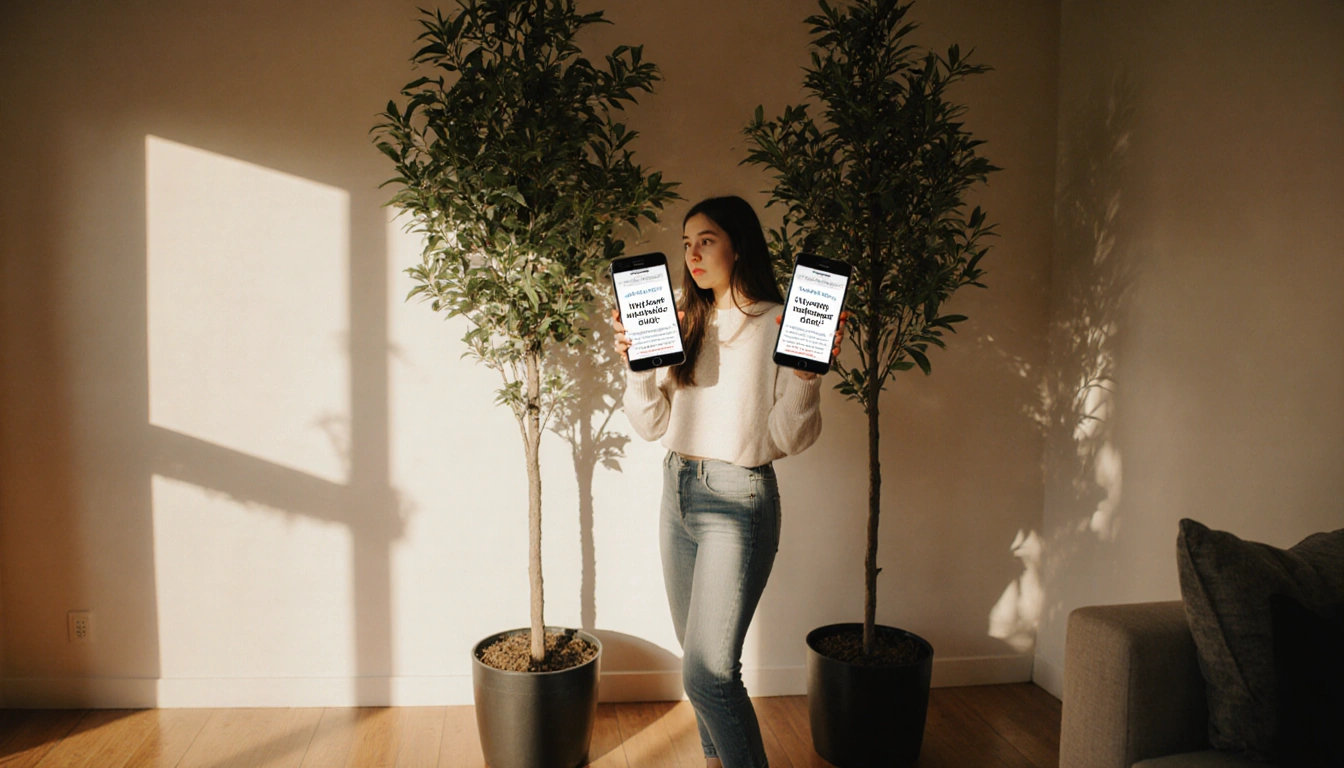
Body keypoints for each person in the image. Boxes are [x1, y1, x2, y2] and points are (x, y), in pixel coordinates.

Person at [611, 195, 846, 768]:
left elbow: (790, 437)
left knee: (709, 674)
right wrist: (639, 372)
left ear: (738, 245)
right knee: (700, 674)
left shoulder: (776, 321)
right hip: (677, 493)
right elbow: (651, 425)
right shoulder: (680, 316)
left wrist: (808, 381)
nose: (692, 253)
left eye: (706, 240)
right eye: (686, 242)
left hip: (739, 499)